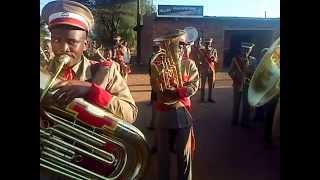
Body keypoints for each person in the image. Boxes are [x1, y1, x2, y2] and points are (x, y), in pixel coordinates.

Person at [150, 30, 200, 180]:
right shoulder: (158, 63)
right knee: (163, 157)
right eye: (177, 45)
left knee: (184, 157)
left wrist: (178, 91)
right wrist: (162, 85)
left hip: (183, 113)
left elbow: (194, 85)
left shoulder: (189, 64)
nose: (179, 48)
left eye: (182, 45)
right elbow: (155, 86)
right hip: (164, 113)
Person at [228, 42, 256, 127]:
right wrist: (236, 77)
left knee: (246, 105)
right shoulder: (235, 59)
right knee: (236, 104)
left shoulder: (253, 60)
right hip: (237, 84)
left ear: (251, 50)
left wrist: (250, 77)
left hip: (247, 85)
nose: (246, 51)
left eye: (248, 49)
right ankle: (234, 120)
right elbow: (230, 72)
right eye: (244, 49)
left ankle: (245, 121)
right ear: (241, 49)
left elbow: (254, 73)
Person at [198, 38, 218, 103]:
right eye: (206, 43)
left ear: (211, 43)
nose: (207, 44)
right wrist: (202, 57)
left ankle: (210, 98)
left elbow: (216, 60)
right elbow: (199, 60)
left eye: (209, 43)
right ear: (205, 43)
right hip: (204, 69)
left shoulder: (213, 50)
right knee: (203, 85)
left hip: (211, 70)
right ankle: (202, 98)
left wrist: (213, 59)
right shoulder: (202, 50)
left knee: (210, 85)